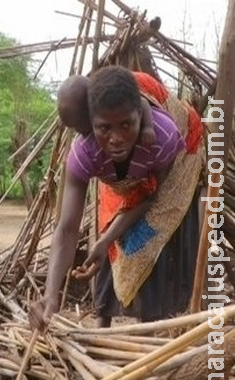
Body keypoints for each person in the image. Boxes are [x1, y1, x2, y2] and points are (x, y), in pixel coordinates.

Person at [29, 65, 203, 330]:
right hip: (127, 180)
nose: (116, 139)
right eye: (103, 128)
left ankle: (151, 325)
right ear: (91, 122)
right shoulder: (85, 153)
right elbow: (66, 228)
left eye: (126, 125)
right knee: (112, 238)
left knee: (150, 237)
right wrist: (51, 295)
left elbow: (150, 198)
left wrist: (106, 239)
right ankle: (104, 317)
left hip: (172, 166)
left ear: (139, 116)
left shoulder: (163, 137)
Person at [57, 74, 156, 145]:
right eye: (74, 128)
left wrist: (148, 127)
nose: (78, 131)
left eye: (78, 125)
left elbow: (142, 102)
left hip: (152, 92)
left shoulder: (112, 99)